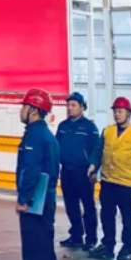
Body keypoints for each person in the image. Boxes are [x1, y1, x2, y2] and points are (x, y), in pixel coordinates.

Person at [13, 88, 60, 260]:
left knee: (34, 254)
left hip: (35, 203)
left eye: (24, 106)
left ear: (33, 110)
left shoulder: (34, 136)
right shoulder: (48, 136)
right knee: (45, 252)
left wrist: (23, 199)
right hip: (47, 201)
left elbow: (31, 170)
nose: (21, 110)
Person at [89, 96, 131, 260]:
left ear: (128, 114)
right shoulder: (107, 132)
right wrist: (93, 166)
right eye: (115, 111)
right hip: (108, 182)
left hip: (126, 185)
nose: (117, 114)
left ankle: (127, 249)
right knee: (106, 216)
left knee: (127, 218)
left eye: (120, 111)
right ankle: (108, 246)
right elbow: (98, 151)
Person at [54, 91, 99, 251]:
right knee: (71, 205)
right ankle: (76, 235)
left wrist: (94, 169)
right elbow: (56, 147)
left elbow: (96, 150)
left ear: (82, 107)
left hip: (84, 172)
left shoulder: (90, 127)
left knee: (88, 206)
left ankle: (91, 239)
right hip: (67, 171)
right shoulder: (63, 126)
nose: (70, 108)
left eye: (73, 105)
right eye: (68, 105)